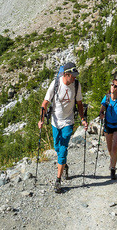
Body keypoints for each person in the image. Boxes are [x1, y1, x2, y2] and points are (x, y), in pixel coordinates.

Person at [38, 62, 85, 193]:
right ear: (66, 74)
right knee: (57, 146)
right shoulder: (56, 84)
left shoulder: (76, 85)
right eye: (72, 76)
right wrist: (41, 119)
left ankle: (58, 181)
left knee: (63, 148)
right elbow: (45, 103)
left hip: (68, 121)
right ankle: (64, 165)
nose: (74, 78)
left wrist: (82, 119)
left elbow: (79, 103)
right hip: (55, 121)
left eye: (75, 76)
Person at [99, 78, 117, 179]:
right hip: (108, 126)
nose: (113, 87)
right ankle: (112, 161)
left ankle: (113, 169)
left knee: (114, 149)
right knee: (110, 149)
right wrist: (101, 115)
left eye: (115, 86)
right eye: (112, 85)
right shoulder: (106, 98)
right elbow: (101, 110)